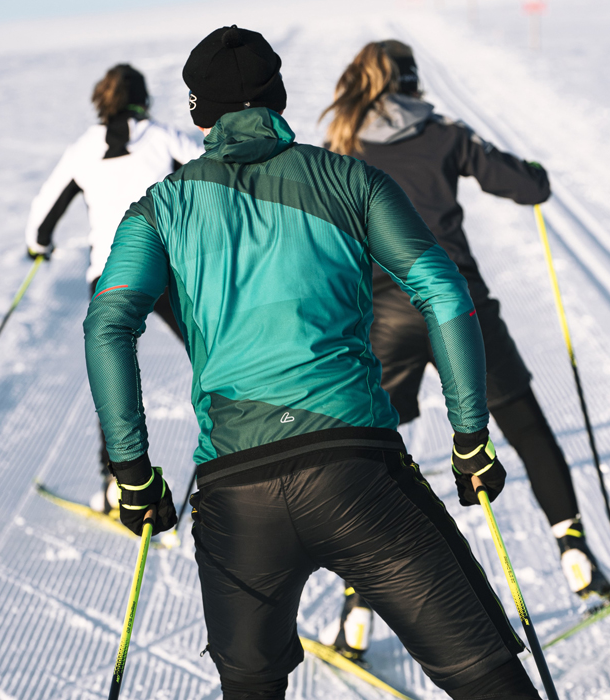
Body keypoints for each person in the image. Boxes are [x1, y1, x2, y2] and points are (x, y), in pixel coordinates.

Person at [84, 25, 543, 700]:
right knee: (491, 684)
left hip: (236, 499)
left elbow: (107, 324)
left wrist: (131, 472)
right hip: (359, 477)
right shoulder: (352, 178)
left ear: (197, 112)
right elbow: (443, 293)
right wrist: (470, 441)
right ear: (278, 94)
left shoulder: (159, 208)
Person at [320, 39, 610, 660]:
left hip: (385, 313)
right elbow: (527, 188)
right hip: (461, 306)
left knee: (375, 458)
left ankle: (356, 607)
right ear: (415, 81)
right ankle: (575, 549)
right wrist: (533, 174)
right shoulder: (447, 133)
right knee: (526, 427)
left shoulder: (345, 141)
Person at [24, 63, 202, 510]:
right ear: (144, 98)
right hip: (169, 268)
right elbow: (213, 174)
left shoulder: (83, 149)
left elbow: (44, 213)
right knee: (211, 353)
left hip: (109, 274)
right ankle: (239, 452)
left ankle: (118, 483)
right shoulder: (164, 137)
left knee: (114, 379)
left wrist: (38, 246)